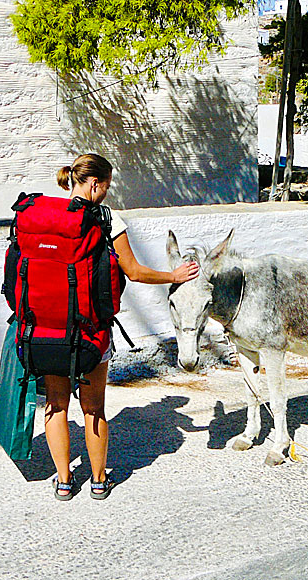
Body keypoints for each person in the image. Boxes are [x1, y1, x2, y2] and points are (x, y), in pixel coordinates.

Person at [45, 153, 199, 501]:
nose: (106, 193)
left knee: (55, 405)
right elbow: (133, 270)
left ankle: (65, 481)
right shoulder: (108, 219)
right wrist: (172, 275)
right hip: (91, 329)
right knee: (93, 408)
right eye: (107, 186)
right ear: (95, 184)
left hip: (47, 328)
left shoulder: (47, 216)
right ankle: (99, 481)